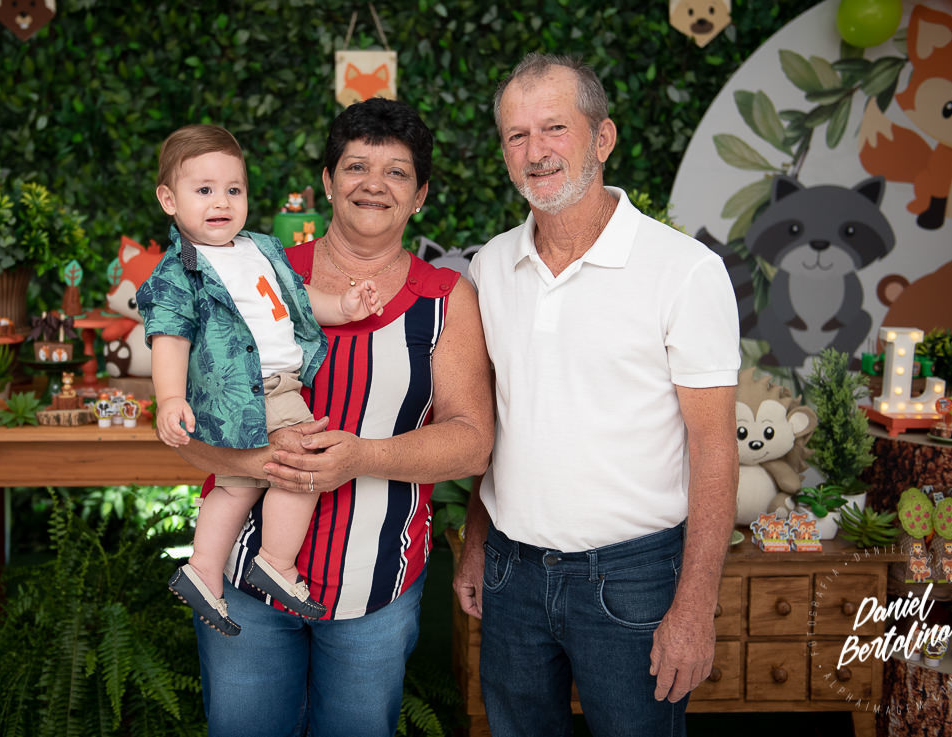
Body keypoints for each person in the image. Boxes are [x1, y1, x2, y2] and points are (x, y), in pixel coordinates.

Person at [165, 98, 493, 737]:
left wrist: (362, 457)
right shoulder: (256, 270)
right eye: (356, 166)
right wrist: (260, 459)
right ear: (328, 181)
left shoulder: (445, 299)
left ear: (421, 195)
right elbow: (191, 425)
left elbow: (472, 444)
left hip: (376, 584)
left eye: (397, 172)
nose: (374, 184)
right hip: (244, 585)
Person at [453, 53, 740, 736]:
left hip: (634, 578)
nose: (536, 151)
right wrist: (476, 540)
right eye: (517, 135)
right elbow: (495, 422)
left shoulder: (684, 271)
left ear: (602, 138)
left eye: (554, 128)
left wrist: (695, 606)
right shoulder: (490, 266)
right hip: (512, 573)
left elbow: (714, 447)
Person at [139, 124, 385, 636]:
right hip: (251, 389)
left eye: (234, 189)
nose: (221, 202)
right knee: (306, 466)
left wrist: (342, 306)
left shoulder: (260, 248)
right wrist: (169, 398)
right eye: (203, 190)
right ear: (169, 200)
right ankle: (275, 561)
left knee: (236, 487)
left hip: (275, 385)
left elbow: (296, 299)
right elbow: (170, 337)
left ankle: (203, 570)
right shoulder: (179, 272)